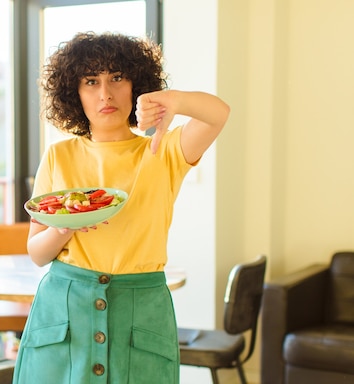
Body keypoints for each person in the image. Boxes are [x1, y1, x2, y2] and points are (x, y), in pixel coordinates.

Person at [13, 32, 230, 383]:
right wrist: (63, 228)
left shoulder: (163, 150)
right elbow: (37, 253)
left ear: (136, 85)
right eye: (90, 81)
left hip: (141, 307)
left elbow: (218, 113)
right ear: (74, 93)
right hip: (66, 306)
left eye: (117, 77)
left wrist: (171, 101)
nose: (105, 93)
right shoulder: (58, 155)